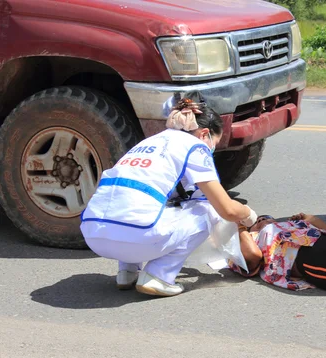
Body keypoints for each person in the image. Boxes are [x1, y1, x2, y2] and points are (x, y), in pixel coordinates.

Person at [80, 96, 258, 297]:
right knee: (206, 209)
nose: (212, 149)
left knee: (138, 201)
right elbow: (226, 209)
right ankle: (159, 275)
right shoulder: (195, 147)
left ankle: (127, 272)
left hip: (93, 235)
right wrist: (249, 215)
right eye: (214, 143)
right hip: (137, 237)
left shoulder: (151, 142)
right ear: (205, 133)